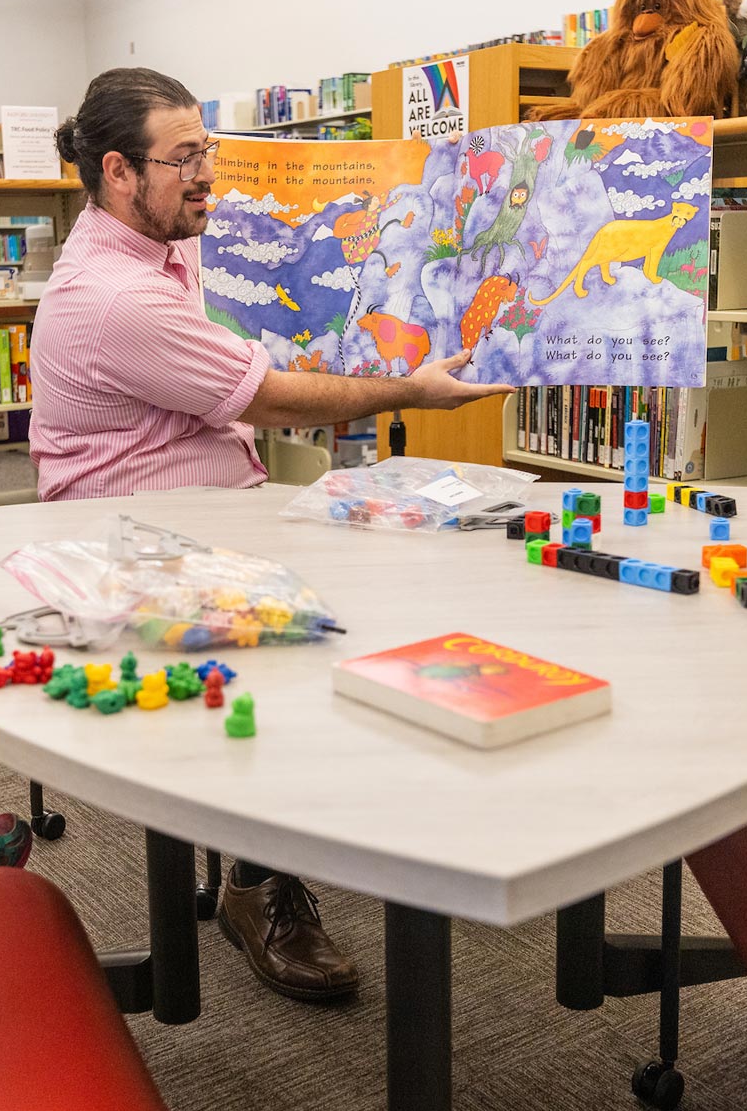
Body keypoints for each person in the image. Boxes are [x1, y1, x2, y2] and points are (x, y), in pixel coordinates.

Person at [31, 67, 512, 1001]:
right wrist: (412, 385)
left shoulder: (159, 244)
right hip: (145, 553)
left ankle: (320, 840)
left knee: (433, 574)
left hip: (217, 515)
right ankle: (258, 884)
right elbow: (277, 397)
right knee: (317, 657)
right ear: (119, 172)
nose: (211, 175)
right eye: (188, 159)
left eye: (211, 150)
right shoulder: (115, 298)